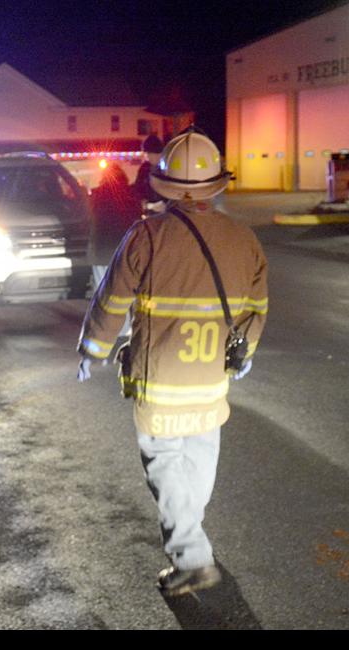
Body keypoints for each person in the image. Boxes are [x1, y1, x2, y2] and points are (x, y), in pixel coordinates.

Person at [76, 127, 268, 597]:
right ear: (214, 185)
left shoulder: (146, 235)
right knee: (200, 457)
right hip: (211, 378)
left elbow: (112, 299)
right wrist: (244, 353)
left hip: (159, 381)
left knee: (164, 462)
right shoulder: (244, 239)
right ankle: (191, 535)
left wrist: (93, 349)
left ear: (164, 185)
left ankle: (191, 556)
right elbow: (256, 308)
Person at [88, 162, 141, 295]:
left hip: (102, 250)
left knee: (102, 289)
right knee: (127, 290)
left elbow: (90, 221)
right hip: (126, 250)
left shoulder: (96, 195)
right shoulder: (132, 195)